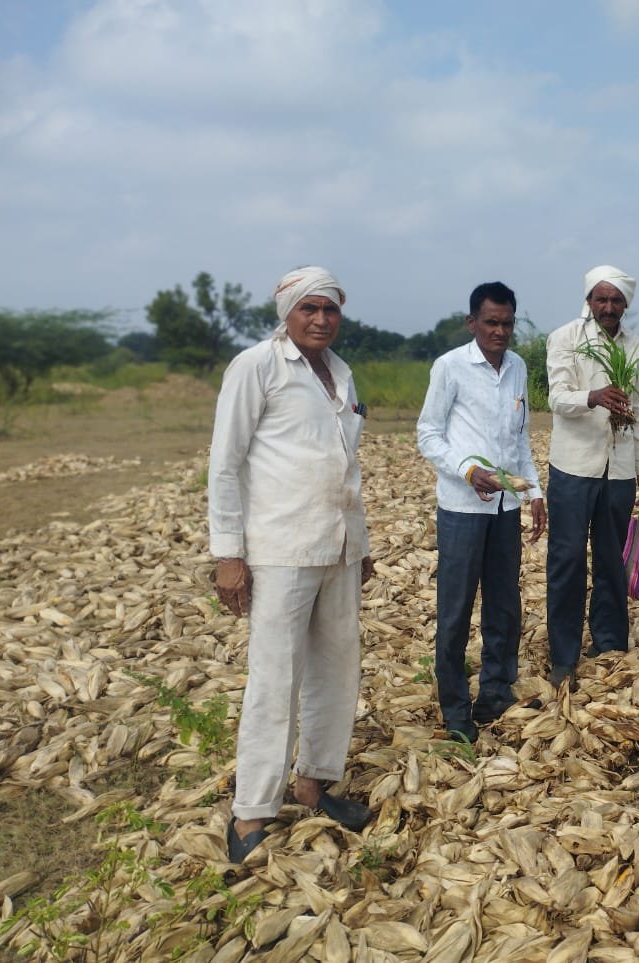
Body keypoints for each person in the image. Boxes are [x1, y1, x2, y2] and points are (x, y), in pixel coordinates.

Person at [208, 265, 375, 863]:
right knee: (276, 679)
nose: (321, 319)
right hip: (279, 549)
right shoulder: (257, 366)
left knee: (336, 668)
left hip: (337, 547)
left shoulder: (342, 372)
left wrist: (362, 542)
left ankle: (314, 783)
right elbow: (225, 464)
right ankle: (251, 811)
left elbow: (345, 465)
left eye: (330, 309)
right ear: (287, 313)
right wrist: (228, 555)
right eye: (309, 309)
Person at [417, 282, 545, 743]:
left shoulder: (517, 368)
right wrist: (468, 470)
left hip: (506, 509)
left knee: (504, 607)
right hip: (462, 509)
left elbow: (519, 438)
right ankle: (455, 708)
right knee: (455, 611)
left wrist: (535, 493)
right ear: (472, 323)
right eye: (490, 322)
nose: (500, 331)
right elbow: (428, 434)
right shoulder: (450, 367)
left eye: (507, 323)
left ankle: (495, 692)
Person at [544, 265, 639, 688]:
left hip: (620, 468)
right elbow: (556, 397)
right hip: (574, 466)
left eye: (616, 300)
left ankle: (609, 643)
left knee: (612, 559)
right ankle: (564, 655)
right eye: (600, 299)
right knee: (568, 560)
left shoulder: (636, 346)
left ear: (626, 304)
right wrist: (593, 397)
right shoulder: (566, 338)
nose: (608, 307)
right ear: (589, 301)